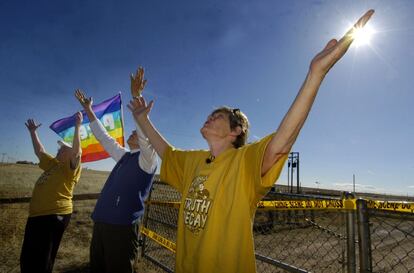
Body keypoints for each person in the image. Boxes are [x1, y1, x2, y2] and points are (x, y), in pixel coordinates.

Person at [128, 10, 374, 273]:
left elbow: (281, 143)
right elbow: (166, 150)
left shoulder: (243, 162)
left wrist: (316, 75)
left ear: (236, 131)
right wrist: (142, 118)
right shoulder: (192, 161)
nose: (209, 117)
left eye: (217, 116)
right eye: (210, 114)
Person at [74, 67, 157, 273]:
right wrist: (89, 110)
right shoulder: (125, 156)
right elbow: (104, 137)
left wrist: (136, 96)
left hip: (121, 228)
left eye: (135, 134)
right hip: (101, 222)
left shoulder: (148, 159)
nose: (132, 134)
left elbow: (146, 136)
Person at [20, 112, 83, 273]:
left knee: (41, 262)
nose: (59, 150)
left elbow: (77, 153)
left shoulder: (70, 169)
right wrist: (33, 132)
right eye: (60, 148)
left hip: (53, 215)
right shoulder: (53, 164)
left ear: (69, 154)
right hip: (36, 216)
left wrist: (77, 127)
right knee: (27, 259)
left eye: (63, 148)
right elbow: (40, 152)